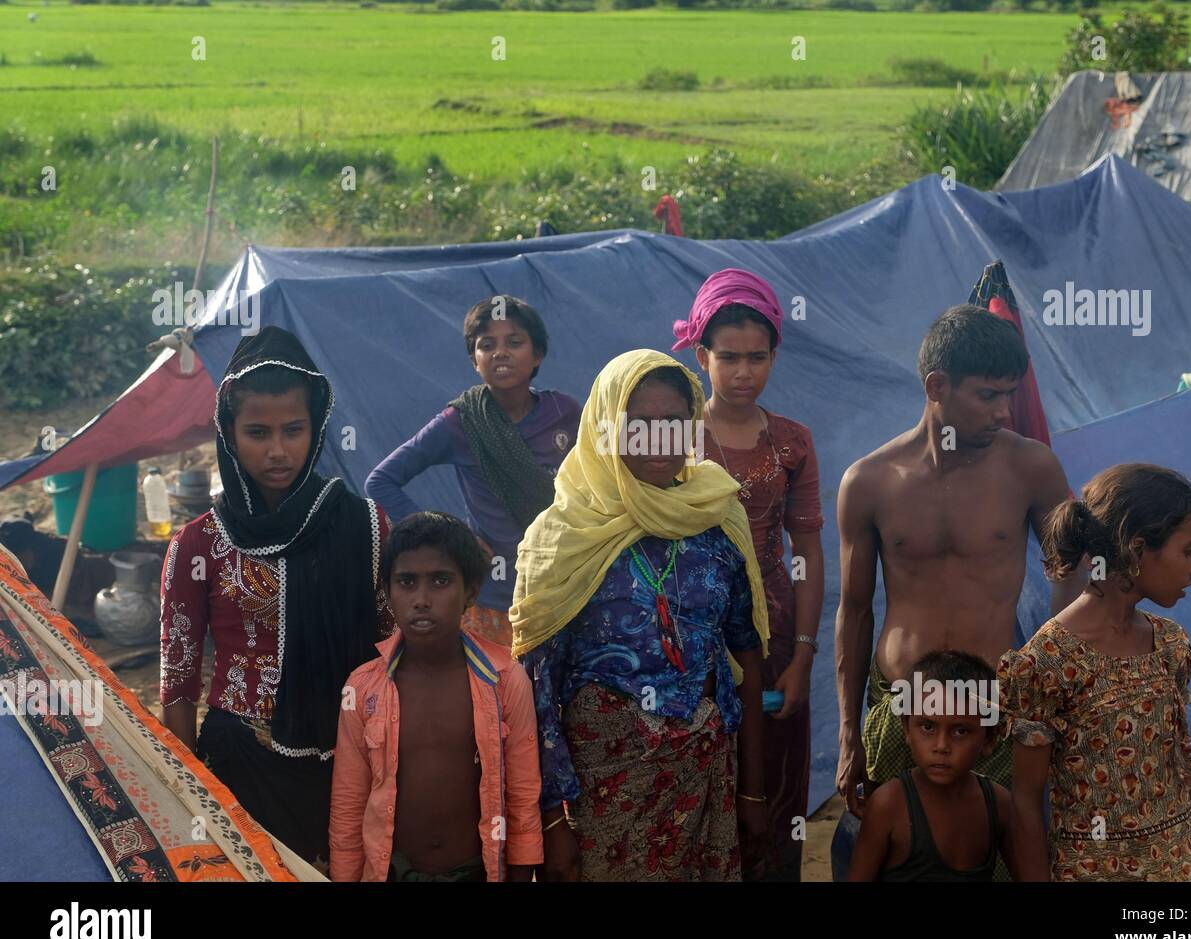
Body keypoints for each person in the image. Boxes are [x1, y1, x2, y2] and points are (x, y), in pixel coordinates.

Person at [511, 349, 770, 882]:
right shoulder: (563, 536)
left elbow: (745, 653)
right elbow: (536, 692)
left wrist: (752, 788)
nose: (659, 439)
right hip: (601, 800)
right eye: (640, 424)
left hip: (706, 789)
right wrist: (551, 823)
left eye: (674, 423)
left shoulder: (716, 515)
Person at [836, 304, 1085, 818]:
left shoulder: (1029, 467)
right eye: (987, 395)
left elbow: (1075, 571)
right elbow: (854, 611)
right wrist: (847, 734)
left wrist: (1046, 669)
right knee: (901, 855)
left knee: (992, 855)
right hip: (902, 704)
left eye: (1010, 395)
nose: (1003, 412)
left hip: (995, 706)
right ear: (936, 386)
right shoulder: (869, 481)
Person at [159, 326, 392, 868]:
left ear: (316, 427)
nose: (278, 450)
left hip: (350, 760)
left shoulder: (365, 525)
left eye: (294, 429)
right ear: (228, 432)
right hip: (240, 764)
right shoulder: (200, 543)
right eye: (258, 432)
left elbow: (392, 652)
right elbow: (178, 677)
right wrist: (190, 790)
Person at [673, 268, 824, 882]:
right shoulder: (674, 438)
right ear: (701, 355)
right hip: (693, 639)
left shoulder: (792, 442)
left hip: (776, 637)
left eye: (757, 358)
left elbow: (808, 549)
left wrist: (804, 656)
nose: (743, 372)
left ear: (773, 357)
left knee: (778, 786)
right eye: (728, 357)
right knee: (702, 774)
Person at [1000, 463, 1191, 881]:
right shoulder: (1049, 661)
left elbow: (1181, 770)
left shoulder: (1171, 646)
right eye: (1187, 550)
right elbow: (1024, 802)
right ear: (1136, 550)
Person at [329, 512, 543, 882]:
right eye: (406, 582)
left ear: (471, 591)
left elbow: (523, 794)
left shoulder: (506, 681)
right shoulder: (362, 688)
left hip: (476, 872)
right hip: (394, 873)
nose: (422, 599)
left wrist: (522, 872)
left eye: (441, 581)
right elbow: (349, 802)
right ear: (388, 591)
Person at [366, 296, 580, 646]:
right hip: (491, 601)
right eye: (486, 345)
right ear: (474, 360)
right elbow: (381, 481)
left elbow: (595, 481)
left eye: (514, 342)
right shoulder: (461, 422)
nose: (500, 353)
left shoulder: (565, 413)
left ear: (537, 354)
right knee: (492, 698)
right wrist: (449, 537)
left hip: (562, 588)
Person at [846, 651, 1012, 882]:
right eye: (927, 727)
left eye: (960, 731)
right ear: (906, 728)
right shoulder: (889, 805)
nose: (941, 746)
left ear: (989, 738)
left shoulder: (999, 805)